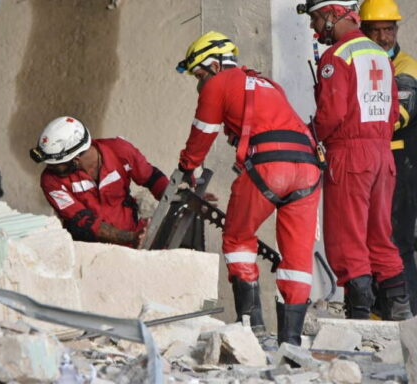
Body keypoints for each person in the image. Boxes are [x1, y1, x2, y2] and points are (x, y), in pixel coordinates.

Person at [175, 31, 322, 345]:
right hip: (308, 170)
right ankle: (291, 343)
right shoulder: (267, 84)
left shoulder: (218, 83)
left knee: (238, 238)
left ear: (215, 64)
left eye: (200, 73)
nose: (200, 82)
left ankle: (251, 331)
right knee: (297, 260)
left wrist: (188, 168)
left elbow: (202, 133)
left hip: (269, 167)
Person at [297, 0, 412, 320]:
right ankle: (399, 310)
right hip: (382, 155)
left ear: (334, 14)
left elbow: (331, 115)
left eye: (316, 19)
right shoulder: (380, 55)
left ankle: (359, 315)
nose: (314, 28)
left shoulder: (336, 57)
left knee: (347, 237)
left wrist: (310, 134)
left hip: (349, 155)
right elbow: (391, 113)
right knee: (380, 234)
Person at [30, 116, 168, 248]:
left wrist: (176, 201)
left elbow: (151, 177)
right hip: (89, 250)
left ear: (75, 159)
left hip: (133, 234)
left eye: (54, 164)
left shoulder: (120, 150)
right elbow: (86, 223)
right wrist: (132, 237)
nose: (49, 168)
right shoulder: (51, 182)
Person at [359, 0, 417, 316]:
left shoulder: (405, 68)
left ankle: (407, 318)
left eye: (389, 30)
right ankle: (379, 313)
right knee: (375, 241)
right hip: (376, 165)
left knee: (398, 243)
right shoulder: (366, 65)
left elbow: (400, 114)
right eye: (376, 30)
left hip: (402, 167)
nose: (383, 37)